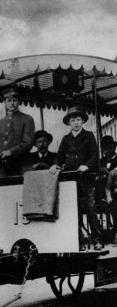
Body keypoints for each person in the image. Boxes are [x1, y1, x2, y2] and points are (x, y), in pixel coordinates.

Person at [49, 106, 101, 251]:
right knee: (74, 210)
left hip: (86, 178)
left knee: (90, 208)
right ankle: (80, 241)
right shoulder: (66, 139)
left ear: (83, 120)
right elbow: (59, 157)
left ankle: (97, 239)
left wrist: (86, 166)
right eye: (73, 120)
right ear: (69, 122)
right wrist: (55, 165)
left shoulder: (89, 135)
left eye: (78, 119)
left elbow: (94, 155)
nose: (76, 122)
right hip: (71, 180)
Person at [0, 87, 35, 177]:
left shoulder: (27, 119)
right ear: (5, 103)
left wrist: (10, 152)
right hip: (3, 165)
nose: (12, 103)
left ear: (19, 102)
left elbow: (27, 143)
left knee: (27, 184)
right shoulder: (0, 123)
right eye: (9, 100)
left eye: (14, 100)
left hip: (22, 164)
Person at [101, 135, 117, 244]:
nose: (108, 149)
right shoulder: (100, 162)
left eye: (110, 146)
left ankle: (114, 232)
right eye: (105, 147)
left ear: (114, 147)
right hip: (103, 191)